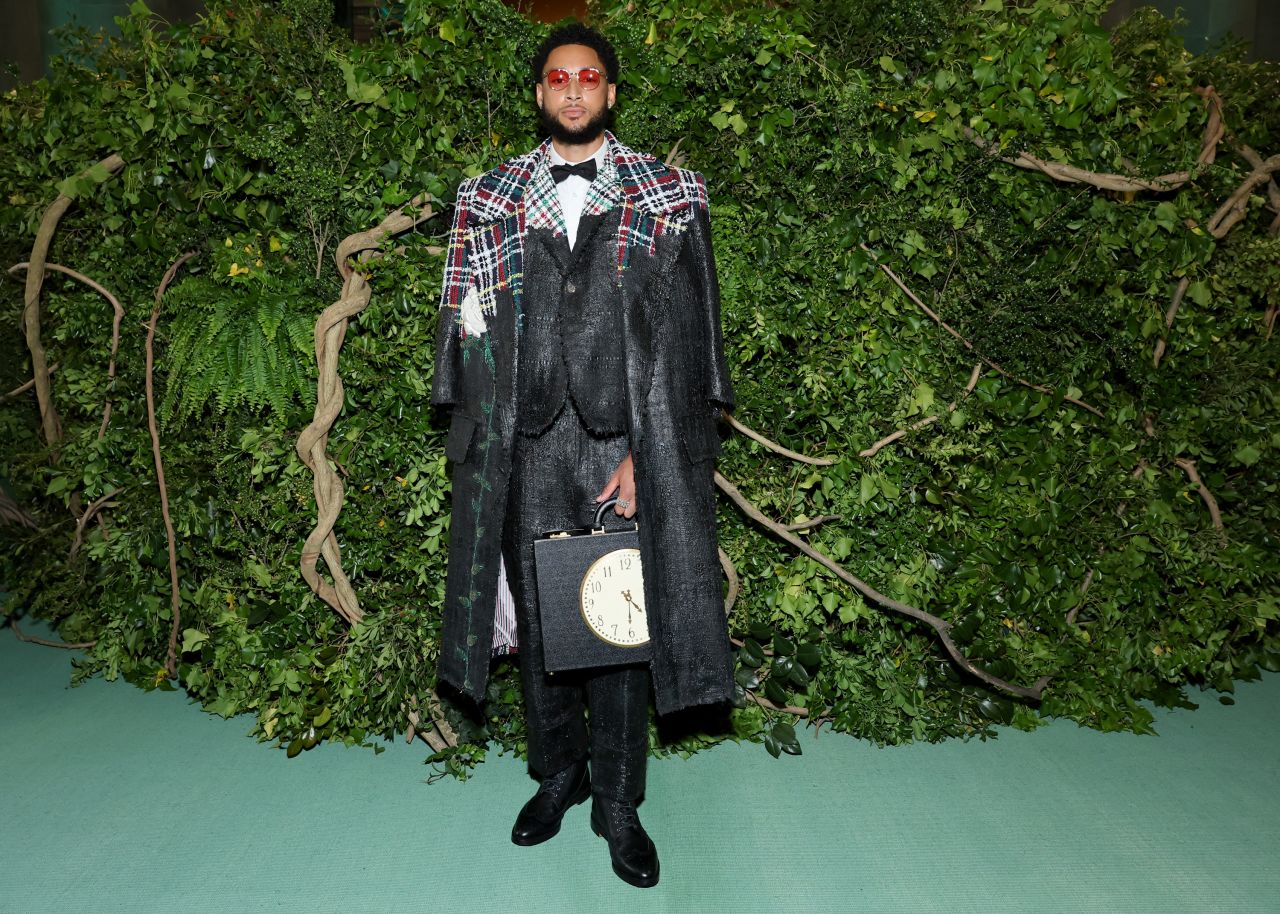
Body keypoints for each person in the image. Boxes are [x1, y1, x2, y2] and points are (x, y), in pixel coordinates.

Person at [431, 22, 734, 888]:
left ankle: (619, 806)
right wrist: (472, 452)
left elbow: (698, 340)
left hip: (620, 440)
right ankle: (556, 776)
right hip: (522, 444)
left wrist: (658, 451)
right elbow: (458, 327)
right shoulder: (483, 198)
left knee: (617, 624)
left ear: (609, 92)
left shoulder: (671, 195)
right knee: (536, 624)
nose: (572, 90)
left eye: (588, 77)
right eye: (557, 78)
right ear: (539, 93)